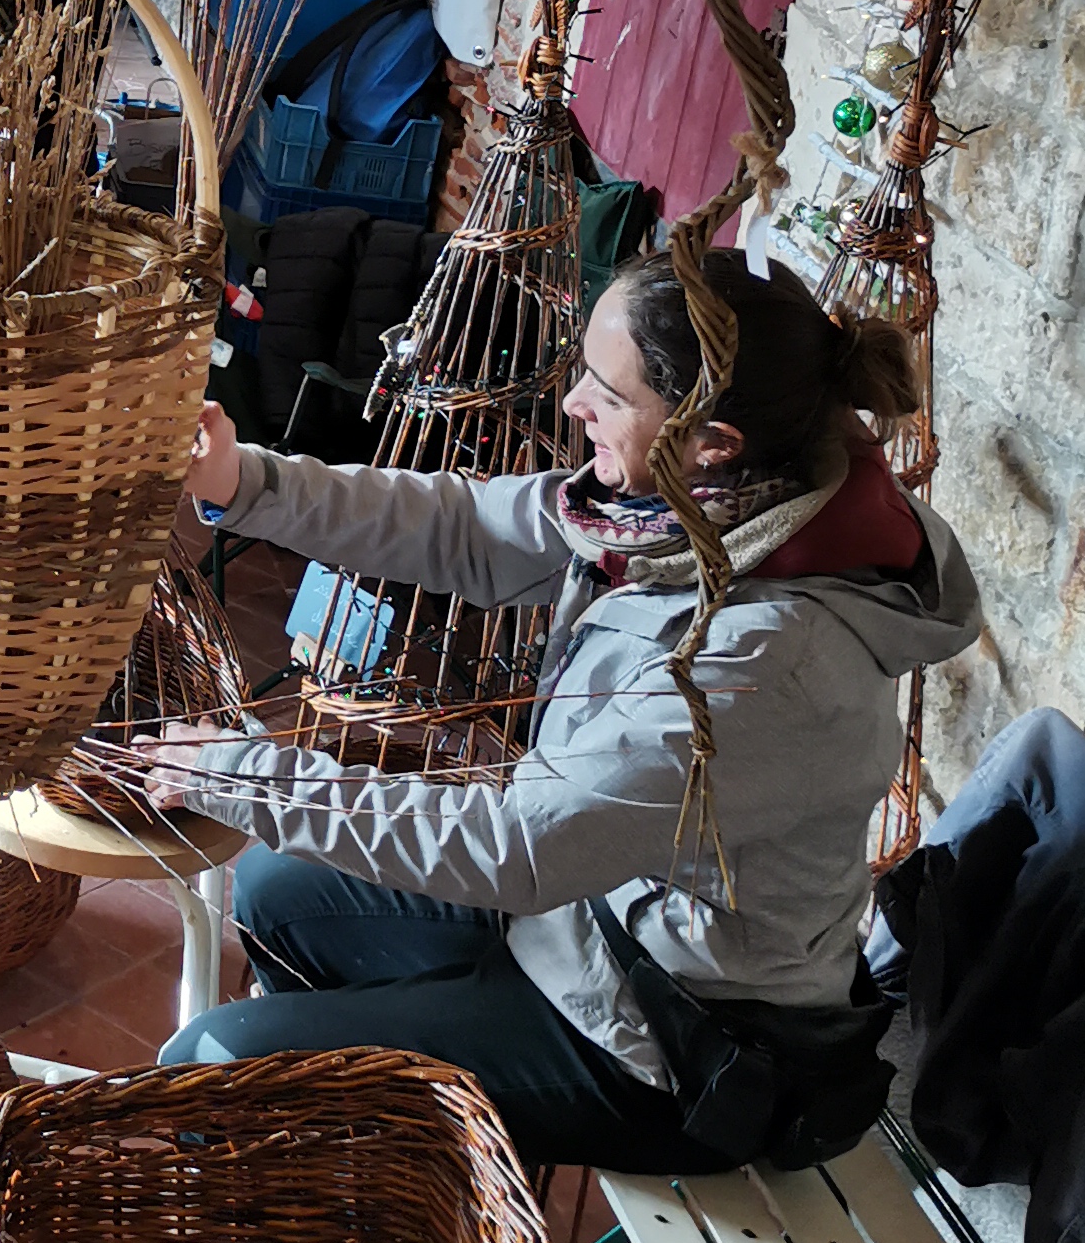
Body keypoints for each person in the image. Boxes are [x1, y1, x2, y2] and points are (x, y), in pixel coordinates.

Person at [157, 248, 982, 1169]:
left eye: (608, 392)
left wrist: (238, 772)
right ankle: (374, 1132)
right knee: (278, 891)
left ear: (712, 437)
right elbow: (469, 529)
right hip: (585, 917)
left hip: (673, 1036)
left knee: (211, 1065)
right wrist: (246, 483)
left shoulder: (766, 659)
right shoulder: (692, 508)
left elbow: (519, 847)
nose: (573, 405)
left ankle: (370, 1185)